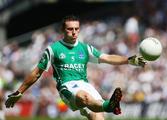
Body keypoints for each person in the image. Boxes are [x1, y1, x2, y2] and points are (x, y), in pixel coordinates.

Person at [5, 15, 147, 120]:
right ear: (63, 30)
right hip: (67, 87)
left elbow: (108, 58)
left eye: (76, 29)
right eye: (70, 29)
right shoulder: (53, 49)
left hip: (85, 85)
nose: (74, 32)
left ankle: (107, 105)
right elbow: (36, 73)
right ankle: (109, 106)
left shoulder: (85, 48)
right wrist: (19, 92)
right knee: (83, 97)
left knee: (98, 118)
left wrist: (129, 60)